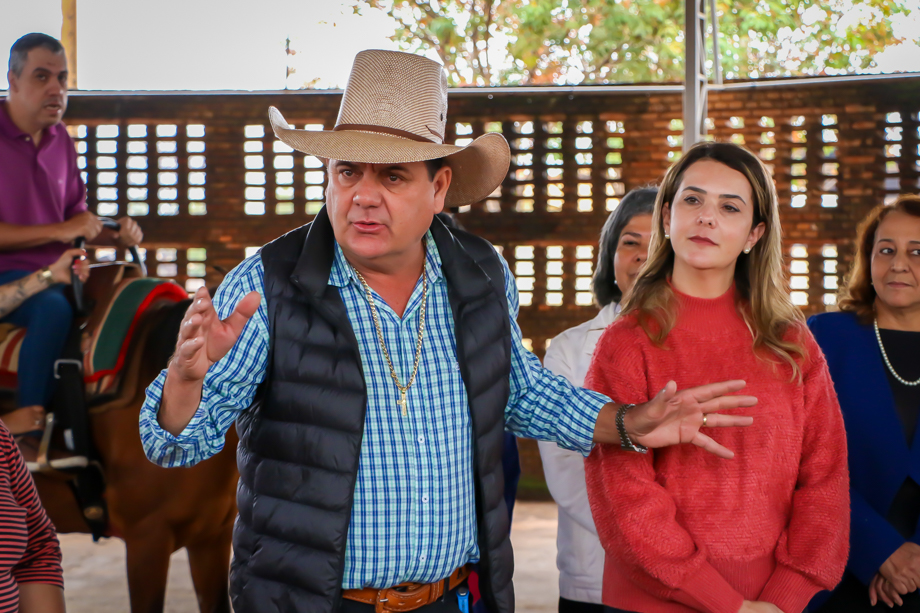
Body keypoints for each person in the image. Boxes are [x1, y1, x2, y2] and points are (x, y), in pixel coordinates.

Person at [139, 50, 756, 613]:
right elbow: (174, 446)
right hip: (310, 602)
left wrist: (626, 422)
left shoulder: (480, 275)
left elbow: (520, 392)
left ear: (439, 188)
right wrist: (186, 382)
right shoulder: (269, 284)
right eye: (348, 172)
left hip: (455, 599)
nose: (363, 197)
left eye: (393, 177)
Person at [584, 142, 849, 613]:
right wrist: (724, 602)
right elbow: (623, 497)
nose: (707, 217)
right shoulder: (625, 342)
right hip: (653, 600)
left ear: (754, 233)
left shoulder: (791, 343)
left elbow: (825, 479)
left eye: (729, 207)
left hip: (774, 602)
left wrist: (787, 594)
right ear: (667, 217)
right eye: (692, 200)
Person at [0, 33, 143, 439]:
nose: (56, 89)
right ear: (12, 80)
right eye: (41, 76)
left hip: (64, 270)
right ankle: (27, 427)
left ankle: (98, 432)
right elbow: (65, 227)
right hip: (11, 278)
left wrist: (114, 236)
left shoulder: (61, 139)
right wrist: (63, 231)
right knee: (53, 309)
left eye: (61, 78)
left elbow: (75, 216)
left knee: (129, 293)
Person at [539, 187, 656, 613]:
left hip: (689, 575)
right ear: (610, 254)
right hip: (596, 573)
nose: (642, 256)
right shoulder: (569, 349)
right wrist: (650, 542)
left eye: (657, 243)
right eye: (630, 243)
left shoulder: (698, 342)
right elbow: (567, 471)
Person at [809, 195, 920, 612]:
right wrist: (880, 552)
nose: (898, 263)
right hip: (838, 568)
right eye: (886, 250)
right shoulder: (823, 338)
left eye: (916, 251)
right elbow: (797, 461)